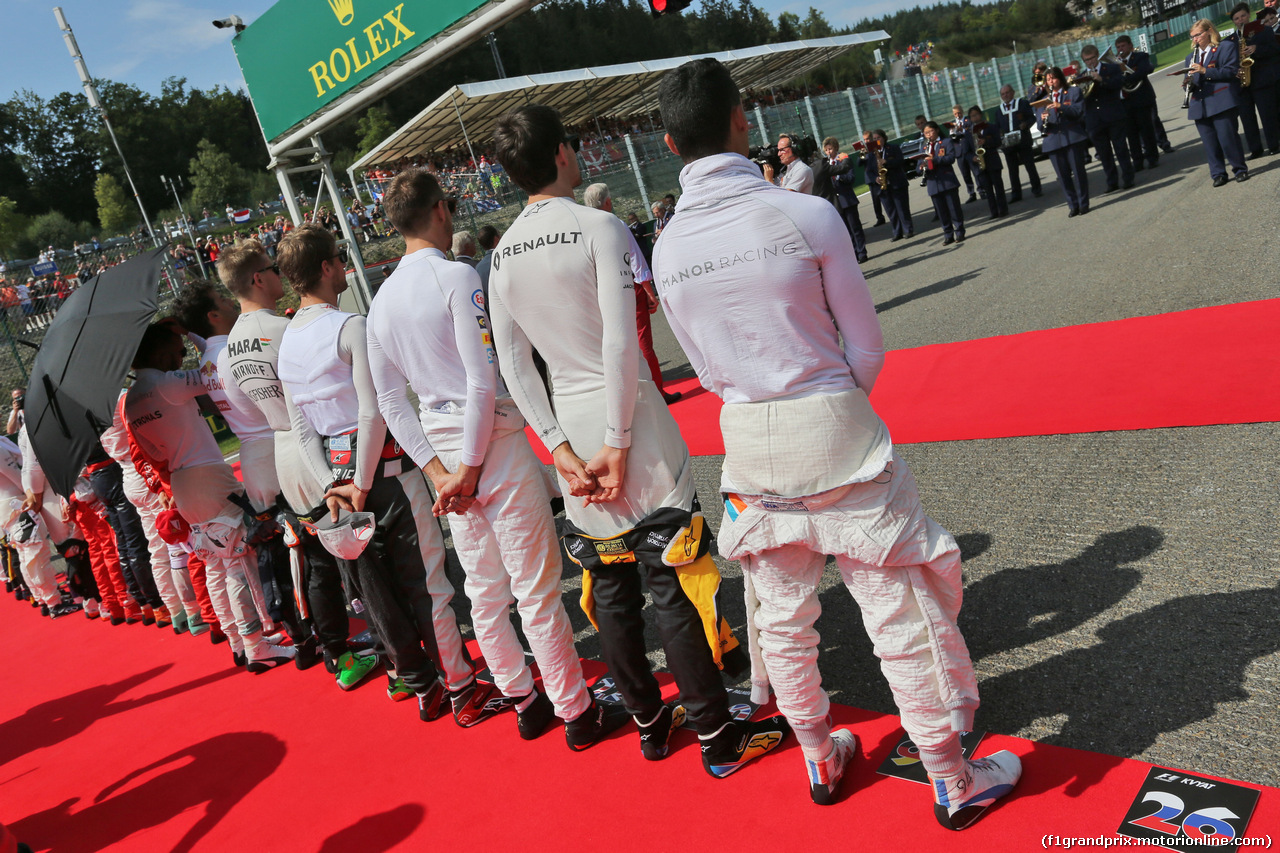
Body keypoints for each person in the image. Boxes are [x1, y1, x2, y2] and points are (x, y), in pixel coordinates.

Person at [654, 56, 1021, 825]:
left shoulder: (666, 247)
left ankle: (821, 756)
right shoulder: (804, 213)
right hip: (835, 427)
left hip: (748, 440)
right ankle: (952, 774)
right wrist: (827, 395)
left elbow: (711, 368)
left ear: (666, 140)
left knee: (782, 615)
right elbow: (867, 348)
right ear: (740, 119)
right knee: (899, 603)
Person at [490, 103, 789, 771]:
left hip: (569, 426)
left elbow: (512, 364)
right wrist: (620, 442)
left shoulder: (502, 255)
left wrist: (560, 450)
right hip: (634, 429)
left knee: (612, 587)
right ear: (565, 154)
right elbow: (622, 339)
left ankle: (653, 722)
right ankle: (717, 736)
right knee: (674, 580)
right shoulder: (598, 225)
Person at [368, 167, 602, 745]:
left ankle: (523, 698)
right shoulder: (454, 276)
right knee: (534, 585)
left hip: (445, 455)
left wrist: (440, 473)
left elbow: (391, 404)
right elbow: (481, 378)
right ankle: (574, 710)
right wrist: (466, 469)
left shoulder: (379, 302)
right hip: (486, 447)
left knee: (485, 586)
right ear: (442, 210)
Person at [276, 225, 485, 725]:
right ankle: (458, 686)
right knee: (428, 584)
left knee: (375, 587)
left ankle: (418, 682)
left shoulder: (288, 343)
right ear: (326, 268)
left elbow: (302, 429)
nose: (345, 267)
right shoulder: (349, 325)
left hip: (339, 481)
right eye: (339, 258)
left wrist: (334, 484)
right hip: (384, 474)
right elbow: (375, 412)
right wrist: (361, 483)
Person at [124, 323, 296, 673]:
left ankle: (238, 641)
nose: (181, 356)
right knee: (238, 560)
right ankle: (256, 645)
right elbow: (215, 371)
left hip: (183, 482)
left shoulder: (131, 402)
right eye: (176, 350)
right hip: (207, 476)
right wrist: (199, 336)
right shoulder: (165, 383)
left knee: (215, 564)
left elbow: (152, 451)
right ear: (159, 354)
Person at [582, 183, 681, 404]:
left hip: (599, 292)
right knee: (643, 340)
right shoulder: (615, 224)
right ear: (607, 201)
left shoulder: (581, 228)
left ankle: (625, 395)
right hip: (628, 288)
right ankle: (657, 392)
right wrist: (649, 291)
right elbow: (635, 260)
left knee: (613, 343)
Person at [1185, 18, 1250, 185]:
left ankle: (1239, 169)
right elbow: (1191, 81)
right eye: (1192, 36)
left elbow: (1230, 72)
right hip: (1200, 104)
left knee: (1228, 139)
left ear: (1209, 32)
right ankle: (1218, 174)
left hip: (1221, 100)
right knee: (1210, 143)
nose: (1195, 39)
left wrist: (1205, 70)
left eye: (1198, 35)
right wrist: (1187, 84)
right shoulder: (1190, 58)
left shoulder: (1224, 48)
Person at [1079, 45, 1136, 193]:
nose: (1089, 62)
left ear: (1097, 56)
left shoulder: (1111, 69)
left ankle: (1128, 178)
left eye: (1091, 58)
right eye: (1086, 60)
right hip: (1094, 120)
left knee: (1121, 148)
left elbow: (1118, 84)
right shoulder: (1082, 77)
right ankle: (1112, 182)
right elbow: (1080, 99)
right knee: (1104, 154)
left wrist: (1101, 79)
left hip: (1113, 116)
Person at [1227, 3, 1280, 158]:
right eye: (1236, 18)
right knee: (1247, 118)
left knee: (1267, 114)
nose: (1240, 20)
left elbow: (1275, 50)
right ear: (1234, 22)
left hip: (1262, 80)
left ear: (1248, 15)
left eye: (1243, 16)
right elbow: (1227, 62)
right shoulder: (1230, 40)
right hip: (1242, 83)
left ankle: (1273, 144)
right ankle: (1255, 149)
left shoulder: (1265, 31)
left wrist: (1257, 49)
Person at [1038, 67, 1091, 217]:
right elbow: (1039, 126)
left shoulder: (1074, 92)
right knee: (1063, 177)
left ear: (1060, 78)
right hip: (1054, 141)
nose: (1051, 82)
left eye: (1053, 78)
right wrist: (1042, 120)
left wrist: (1060, 106)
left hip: (1072, 137)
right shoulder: (1042, 101)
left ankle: (1083, 204)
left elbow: (1078, 112)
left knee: (1079, 173)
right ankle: (1073, 205)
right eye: (1048, 80)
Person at [815, 138, 869, 264]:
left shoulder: (844, 160)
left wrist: (839, 175)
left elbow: (850, 178)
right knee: (845, 231)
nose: (829, 152)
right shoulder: (825, 164)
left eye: (831, 149)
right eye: (826, 150)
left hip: (847, 199)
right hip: (835, 202)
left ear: (836, 148)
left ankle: (862, 252)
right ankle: (853, 253)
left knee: (855, 227)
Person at [1114, 36, 1162, 170]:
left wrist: (1125, 78)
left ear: (1130, 46)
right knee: (1131, 134)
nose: (1121, 49)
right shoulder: (1115, 63)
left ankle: (1152, 158)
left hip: (1141, 99)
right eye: (1118, 47)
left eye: (1123, 46)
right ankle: (1137, 161)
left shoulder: (1140, 56)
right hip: (1125, 102)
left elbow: (1144, 70)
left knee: (1147, 131)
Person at [919, 122, 965, 245]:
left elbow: (951, 158)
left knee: (954, 209)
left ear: (937, 130)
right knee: (941, 211)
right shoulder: (924, 146)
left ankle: (959, 231)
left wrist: (934, 159)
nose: (928, 135)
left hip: (947, 180)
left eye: (931, 132)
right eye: (926, 133)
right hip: (933, 183)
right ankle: (948, 234)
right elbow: (919, 163)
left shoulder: (946, 142)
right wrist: (921, 166)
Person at [996, 84, 1043, 202]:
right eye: (1003, 94)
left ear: (1013, 92)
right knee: (1012, 170)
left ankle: (1036, 189)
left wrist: (1025, 125)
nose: (1005, 95)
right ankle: (1016, 194)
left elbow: (1032, 118)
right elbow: (997, 127)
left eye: (1007, 92)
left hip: (1023, 140)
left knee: (1029, 165)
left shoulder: (1022, 104)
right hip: (1008, 144)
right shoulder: (999, 110)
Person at [869, 129, 915, 241]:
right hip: (883, 186)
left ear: (884, 138)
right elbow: (868, 171)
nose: (876, 140)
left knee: (902, 208)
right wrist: (875, 178)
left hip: (897, 183)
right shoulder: (871, 155)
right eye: (874, 139)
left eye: (878, 138)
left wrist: (886, 162)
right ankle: (896, 232)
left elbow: (900, 161)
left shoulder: (893, 148)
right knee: (891, 211)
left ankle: (908, 230)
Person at [969, 106, 1008, 219]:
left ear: (980, 115)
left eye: (976, 114)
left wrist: (986, 141)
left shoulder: (991, 127)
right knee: (988, 190)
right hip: (980, 164)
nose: (975, 117)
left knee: (998, 187)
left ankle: (1003, 209)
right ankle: (993, 211)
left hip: (993, 160)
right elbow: (966, 151)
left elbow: (998, 141)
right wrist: (972, 158)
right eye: (972, 116)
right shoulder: (969, 133)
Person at [948, 105, 979, 203]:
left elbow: (971, 131)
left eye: (959, 113)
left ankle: (982, 190)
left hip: (969, 150)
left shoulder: (968, 121)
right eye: (955, 114)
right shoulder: (953, 124)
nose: (957, 115)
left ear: (962, 111)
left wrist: (962, 130)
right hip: (959, 153)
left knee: (976, 172)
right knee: (965, 175)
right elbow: (952, 138)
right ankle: (971, 193)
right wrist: (953, 131)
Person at [858, 130, 888, 225]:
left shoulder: (876, 147)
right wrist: (862, 154)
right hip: (870, 178)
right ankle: (879, 217)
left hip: (879, 173)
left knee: (886, 196)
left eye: (868, 139)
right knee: (875, 200)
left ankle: (891, 214)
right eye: (865, 139)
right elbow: (859, 163)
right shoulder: (864, 150)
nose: (866, 141)